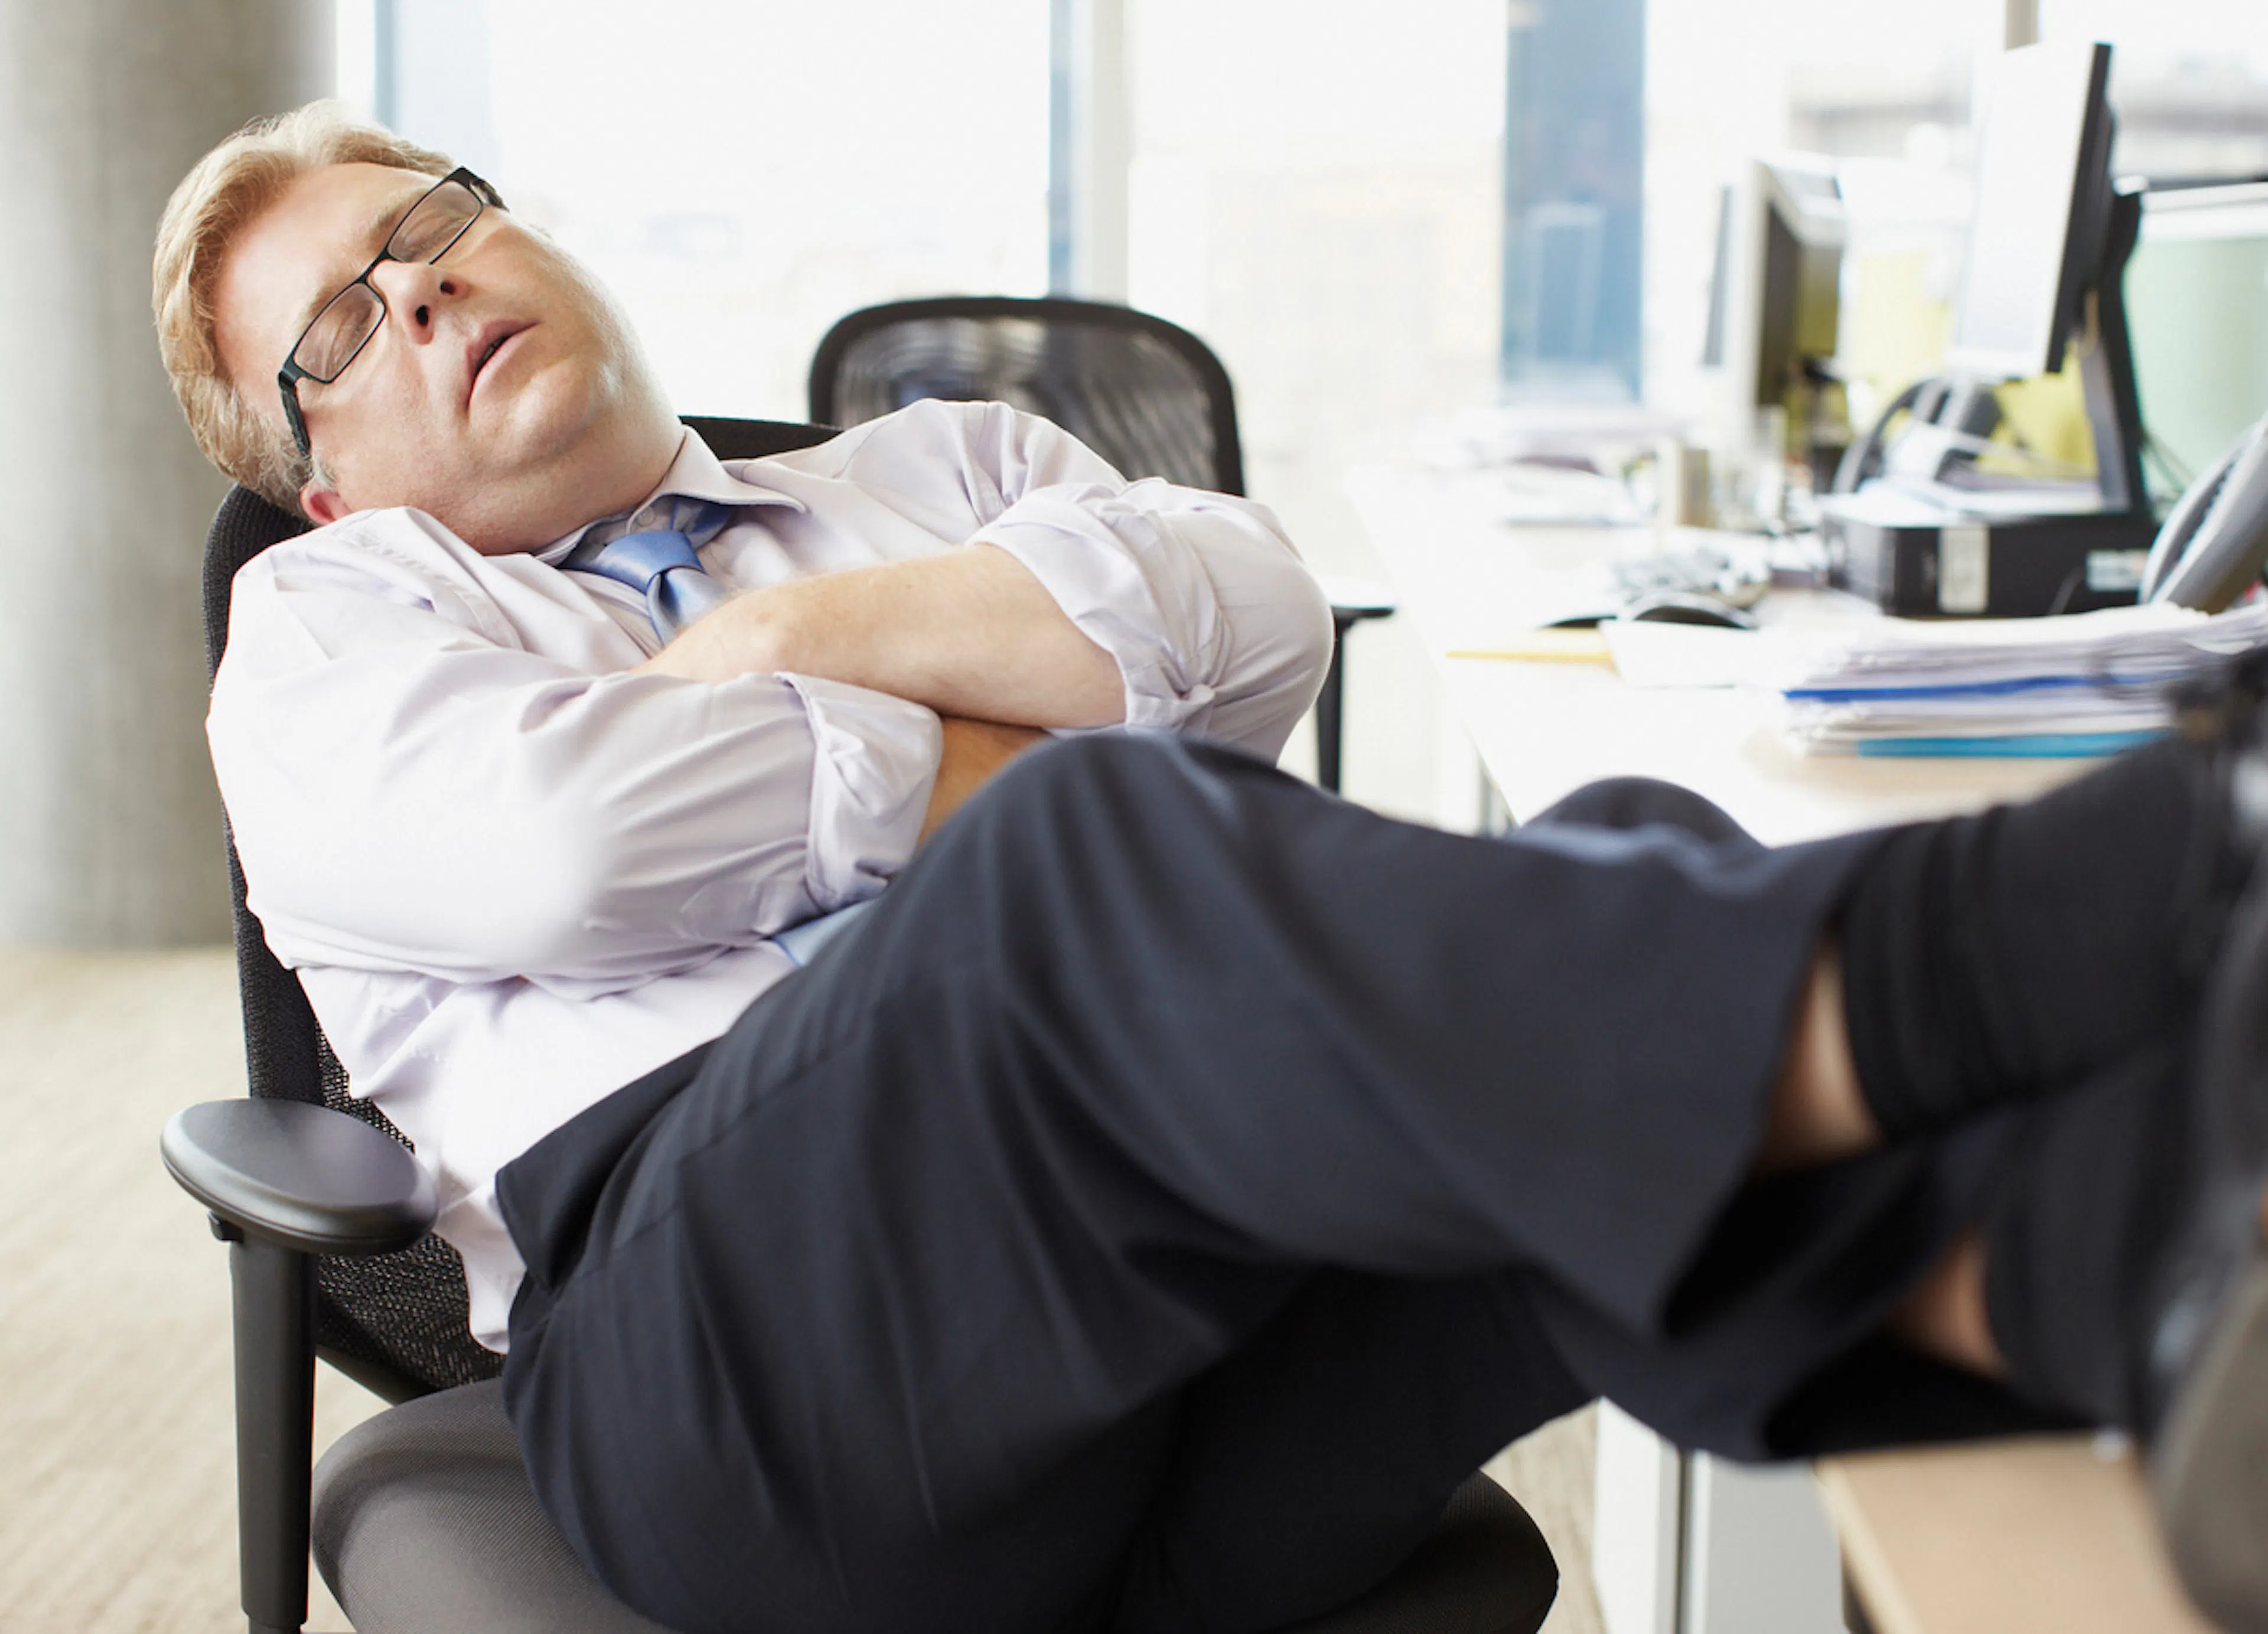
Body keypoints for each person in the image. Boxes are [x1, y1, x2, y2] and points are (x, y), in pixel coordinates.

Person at [155, 103, 2268, 1634]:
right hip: (740, 1403)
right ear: (324, 484)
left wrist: (794, 635)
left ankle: (2131, 1273)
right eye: (334, 333)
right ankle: (2134, 885)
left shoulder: (937, 465)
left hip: (1194, 1409)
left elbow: (1253, 614)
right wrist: (997, 729)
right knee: (1077, 867)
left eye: (426, 222)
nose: (419, 286)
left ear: (532, 234)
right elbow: (563, 840)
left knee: (1626, 925)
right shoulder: (339, 631)